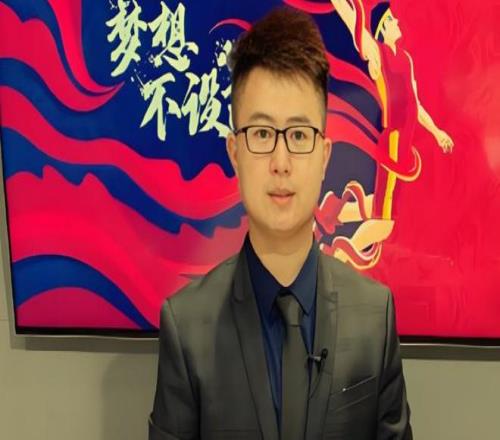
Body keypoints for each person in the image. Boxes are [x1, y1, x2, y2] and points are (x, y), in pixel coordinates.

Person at [149, 6, 412, 440]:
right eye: (262, 134)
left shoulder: (374, 318)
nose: (281, 162)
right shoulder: (187, 327)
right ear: (235, 153)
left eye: (299, 135)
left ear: (325, 156)